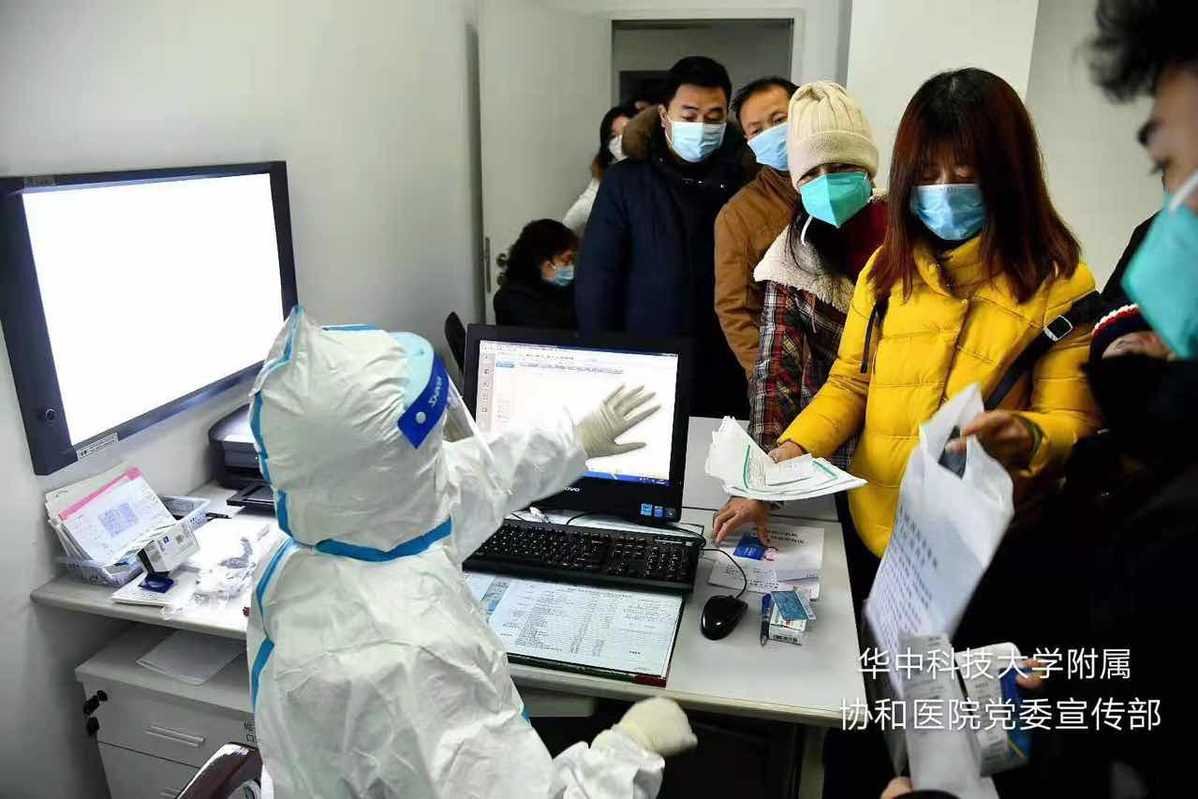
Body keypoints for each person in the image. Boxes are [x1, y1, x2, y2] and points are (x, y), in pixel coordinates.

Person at [246, 309, 697, 797]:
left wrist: (576, 439)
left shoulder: (323, 539)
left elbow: (471, 479)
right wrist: (628, 747)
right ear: (384, 469)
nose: (442, 454)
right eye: (427, 444)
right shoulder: (411, 658)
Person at [714, 69, 1101, 609]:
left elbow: (1072, 421)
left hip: (977, 549)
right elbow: (849, 384)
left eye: (964, 173)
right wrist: (786, 455)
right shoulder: (885, 270)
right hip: (874, 525)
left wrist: (1028, 435)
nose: (943, 190)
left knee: (945, 666)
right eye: (926, 173)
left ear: (1008, 173)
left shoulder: (1059, 284)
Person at [577, 56, 756, 418]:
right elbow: (598, 281)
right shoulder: (626, 181)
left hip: (727, 361)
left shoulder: (745, 180)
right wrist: (602, 365)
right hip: (647, 360)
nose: (701, 127)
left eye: (713, 117)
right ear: (664, 115)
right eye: (689, 116)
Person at [748, 81, 888, 458]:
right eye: (811, 174)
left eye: (840, 168)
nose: (826, 182)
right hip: (825, 443)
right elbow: (775, 371)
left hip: (905, 440)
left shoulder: (908, 240)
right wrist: (766, 464)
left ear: (866, 169)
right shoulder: (791, 257)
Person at [713, 75, 798, 379]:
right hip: (787, 374)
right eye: (757, 130)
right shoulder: (739, 214)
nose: (771, 134)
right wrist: (769, 379)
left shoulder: (847, 184)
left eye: (779, 120)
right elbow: (735, 310)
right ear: (749, 141)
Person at [563, 104, 637, 236]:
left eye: (626, 131)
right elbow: (570, 223)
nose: (620, 140)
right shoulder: (602, 185)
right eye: (613, 137)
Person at [493, 219, 578, 329]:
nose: (571, 266)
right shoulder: (512, 299)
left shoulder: (562, 288)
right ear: (542, 261)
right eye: (566, 260)